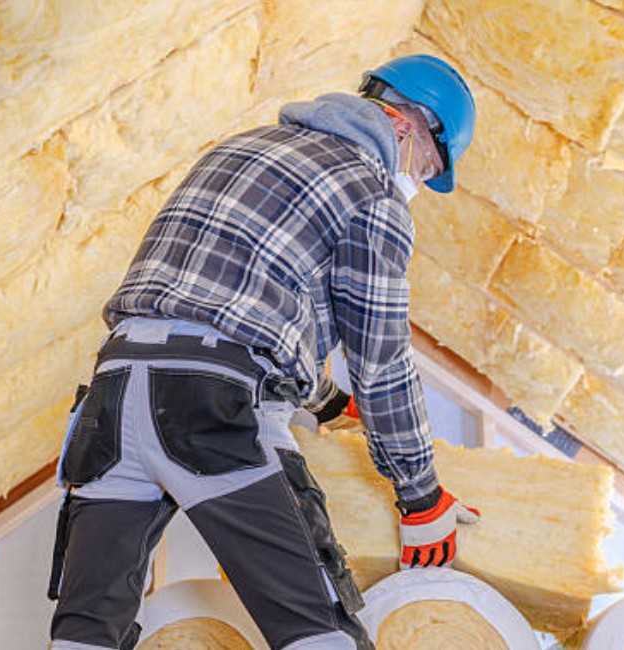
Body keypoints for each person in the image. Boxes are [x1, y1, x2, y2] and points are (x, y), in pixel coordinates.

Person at [47, 54, 479, 650]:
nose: (419, 184)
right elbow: (381, 362)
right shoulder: (371, 190)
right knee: (319, 634)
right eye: (428, 169)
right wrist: (421, 495)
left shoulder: (242, 146)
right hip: (216, 406)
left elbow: (232, 298)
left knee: (86, 634)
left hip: (112, 396)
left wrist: (327, 404)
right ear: (407, 127)